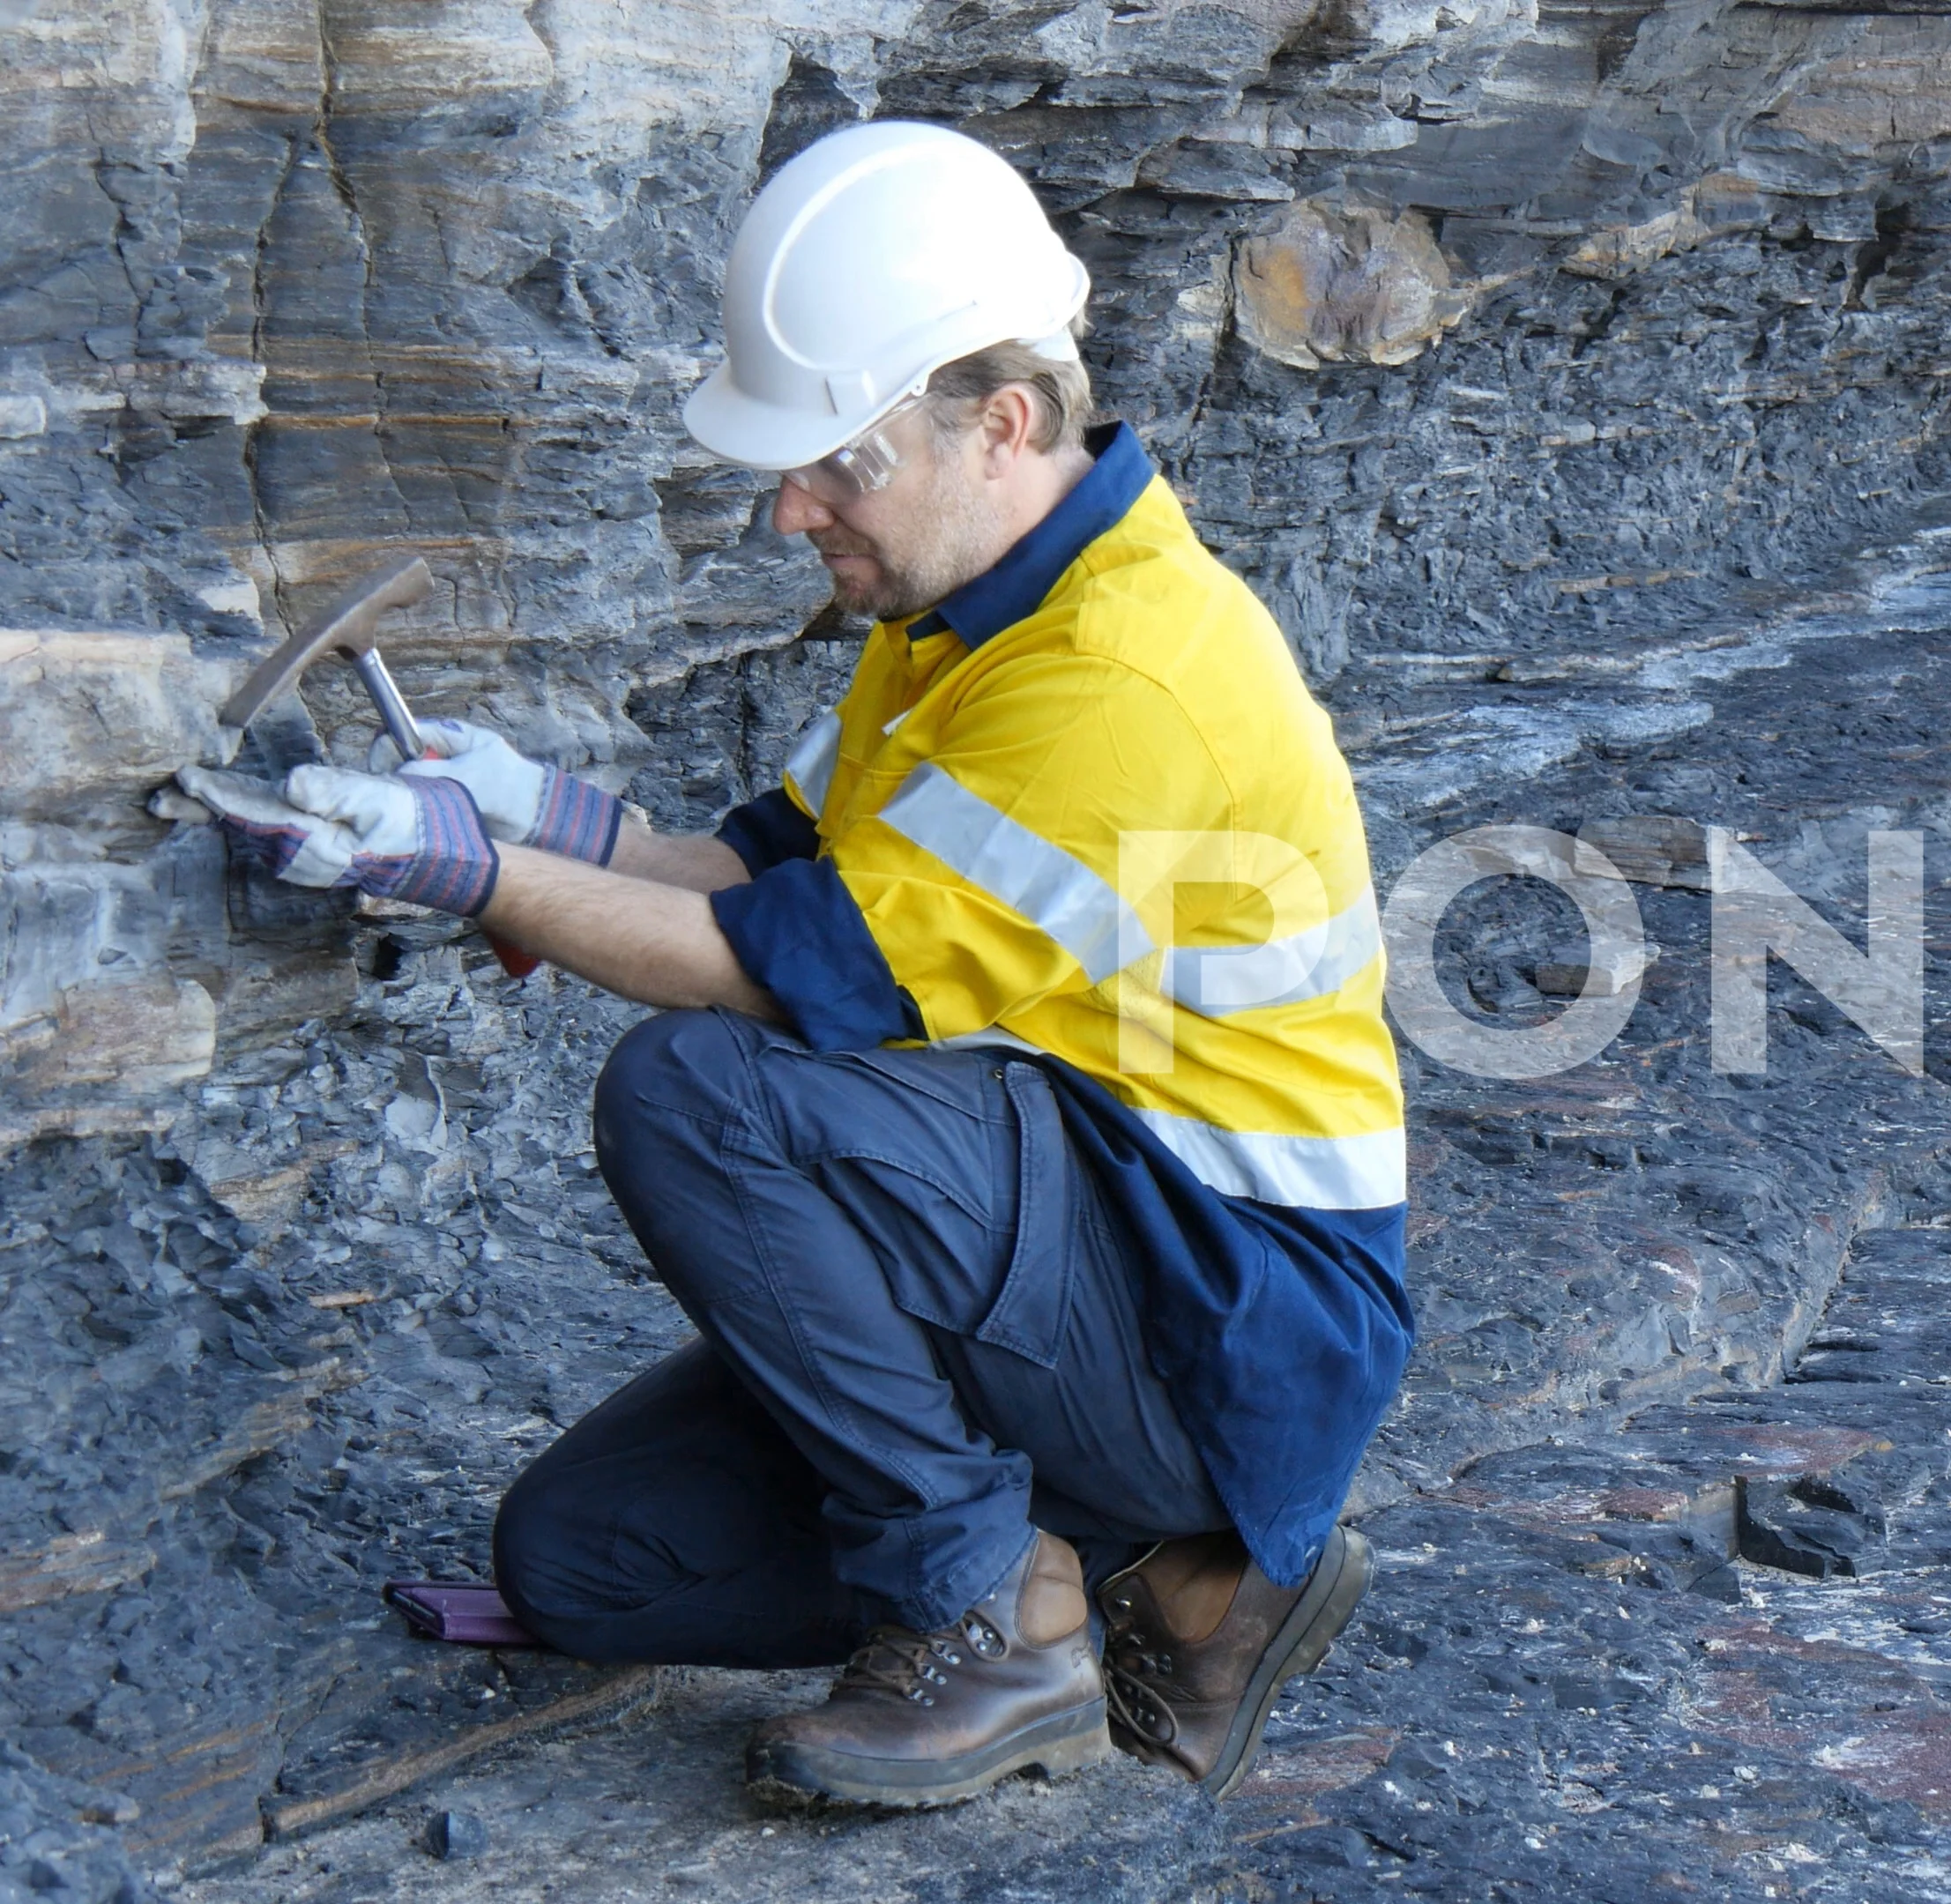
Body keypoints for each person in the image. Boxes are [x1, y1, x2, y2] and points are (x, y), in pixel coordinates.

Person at [174, 121, 1410, 1811]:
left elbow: (767, 978)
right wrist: (518, 808)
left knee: (700, 1089)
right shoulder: (965, 618)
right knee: (586, 1564)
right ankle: (1147, 1571)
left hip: (1224, 1319)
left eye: (840, 460)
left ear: (1007, 424)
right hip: (1094, 1265)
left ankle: (991, 1618)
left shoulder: (1124, 680)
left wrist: (469, 873)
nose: (789, 505)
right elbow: (760, 873)